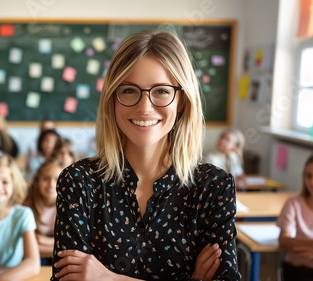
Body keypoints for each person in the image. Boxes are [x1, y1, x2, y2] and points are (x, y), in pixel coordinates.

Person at [51, 30, 240, 281]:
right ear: (113, 98)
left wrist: (109, 278)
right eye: (129, 90)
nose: (144, 107)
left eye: (161, 91)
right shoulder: (78, 182)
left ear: (181, 101)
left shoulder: (213, 187)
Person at [276, 155, 313, 281]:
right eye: (308, 176)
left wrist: (299, 244)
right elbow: (284, 240)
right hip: (296, 269)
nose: (311, 182)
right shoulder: (294, 202)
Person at [25, 158, 64, 262]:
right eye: (46, 179)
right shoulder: (28, 206)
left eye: (57, 179)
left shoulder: (69, 207)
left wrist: (47, 241)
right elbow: (26, 248)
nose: (51, 184)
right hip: (36, 257)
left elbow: (73, 246)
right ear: (38, 181)